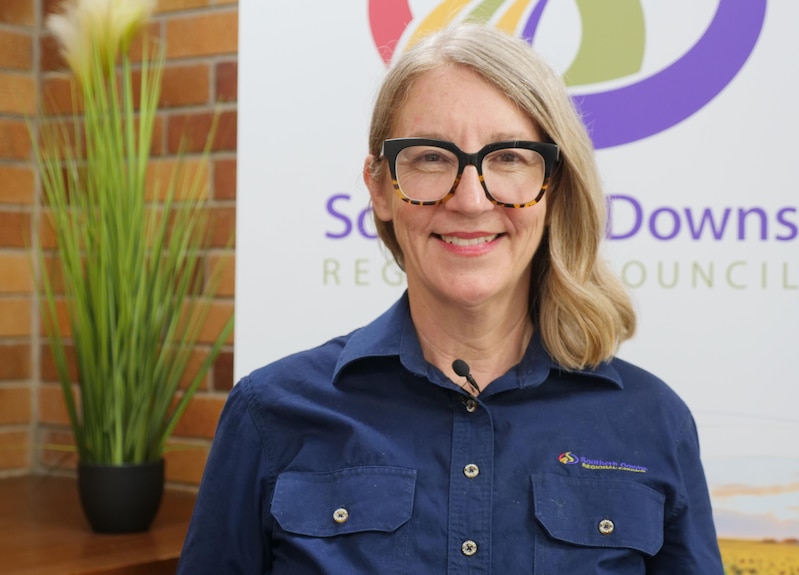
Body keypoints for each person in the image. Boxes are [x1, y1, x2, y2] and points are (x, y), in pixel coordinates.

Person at [177, 24, 723, 574]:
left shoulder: (653, 422)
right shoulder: (268, 414)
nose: (470, 199)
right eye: (431, 158)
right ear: (380, 187)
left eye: (509, 158)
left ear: (554, 188)